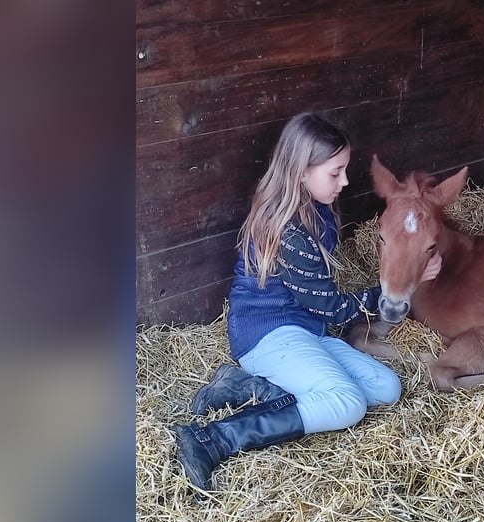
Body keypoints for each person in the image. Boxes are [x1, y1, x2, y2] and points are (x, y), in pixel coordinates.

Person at [174, 112, 441, 491]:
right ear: (302, 172)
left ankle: (246, 386)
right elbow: (333, 308)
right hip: (266, 334)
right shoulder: (288, 231)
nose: (345, 181)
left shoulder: (319, 211)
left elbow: (321, 309)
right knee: (347, 403)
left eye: (345, 170)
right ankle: (214, 438)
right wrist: (398, 289)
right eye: (335, 172)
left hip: (306, 329)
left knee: (385, 387)